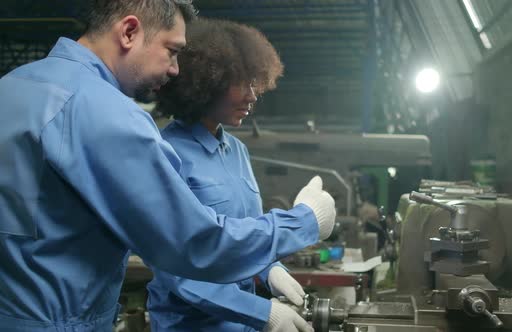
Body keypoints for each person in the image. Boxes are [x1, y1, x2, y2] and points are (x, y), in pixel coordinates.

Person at [0, 1, 335, 331]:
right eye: (172, 51)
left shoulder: (12, 88)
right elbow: (193, 245)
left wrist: (266, 268)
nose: (176, 69)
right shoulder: (107, 114)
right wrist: (304, 220)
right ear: (129, 32)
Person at [147, 19, 315, 332]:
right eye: (244, 84)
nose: (254, 96)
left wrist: (270, 269)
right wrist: (263, 312)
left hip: (243, 323)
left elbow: (246, 236)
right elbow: (178, 272)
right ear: (206, 84)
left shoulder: (236, 151)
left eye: (256, 83)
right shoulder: (165, 154)